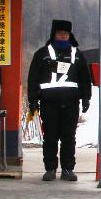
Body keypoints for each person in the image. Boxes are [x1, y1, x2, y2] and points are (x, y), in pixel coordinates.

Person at [27, 20, 92, 181]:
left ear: (70, 35)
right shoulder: (42, 54)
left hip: (71, 104)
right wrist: (33, 100)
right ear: (53, 34)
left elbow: (85, 78)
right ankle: (50, 169)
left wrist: (86, 98)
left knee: (68, 137)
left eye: (66, 34)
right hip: (49, 104)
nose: (63, 36)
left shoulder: (78, 55)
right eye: (60, 33)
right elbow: (33, 78)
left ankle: (68, 169)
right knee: (50, 137)